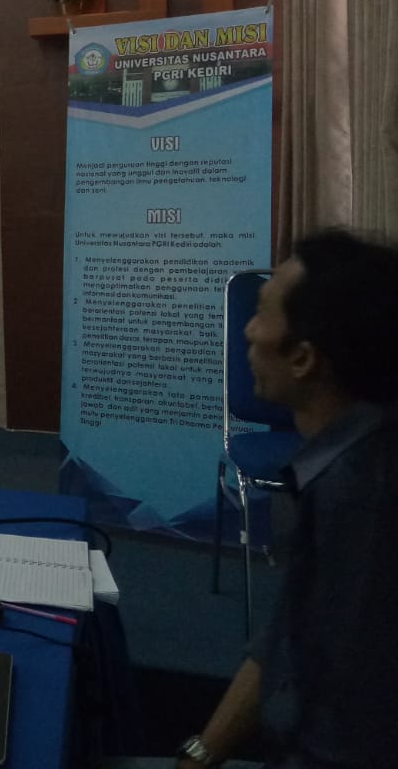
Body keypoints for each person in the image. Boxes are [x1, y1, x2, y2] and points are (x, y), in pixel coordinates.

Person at [113, 229, 398, 769]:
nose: (246, 329)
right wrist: (200, 756)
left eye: (262, 314)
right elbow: (285, 635)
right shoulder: (351, 459)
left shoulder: (362, 499)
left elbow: (347, 737)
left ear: (303, 359)